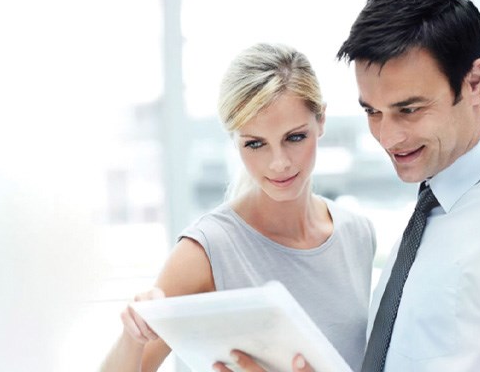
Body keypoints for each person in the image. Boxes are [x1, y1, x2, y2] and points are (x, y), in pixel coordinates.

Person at [220, 0, 480, 372]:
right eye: (372, 112)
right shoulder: (428, 215)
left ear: (474, 83)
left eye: (408, 110)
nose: (387, 137)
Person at [100, 43, 378, 372]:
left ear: (321, 121)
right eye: (255, 144)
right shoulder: (207, 250)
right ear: (235, 141)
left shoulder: (357, 233)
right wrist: (133, 335)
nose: (279, 163)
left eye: (294, 137)